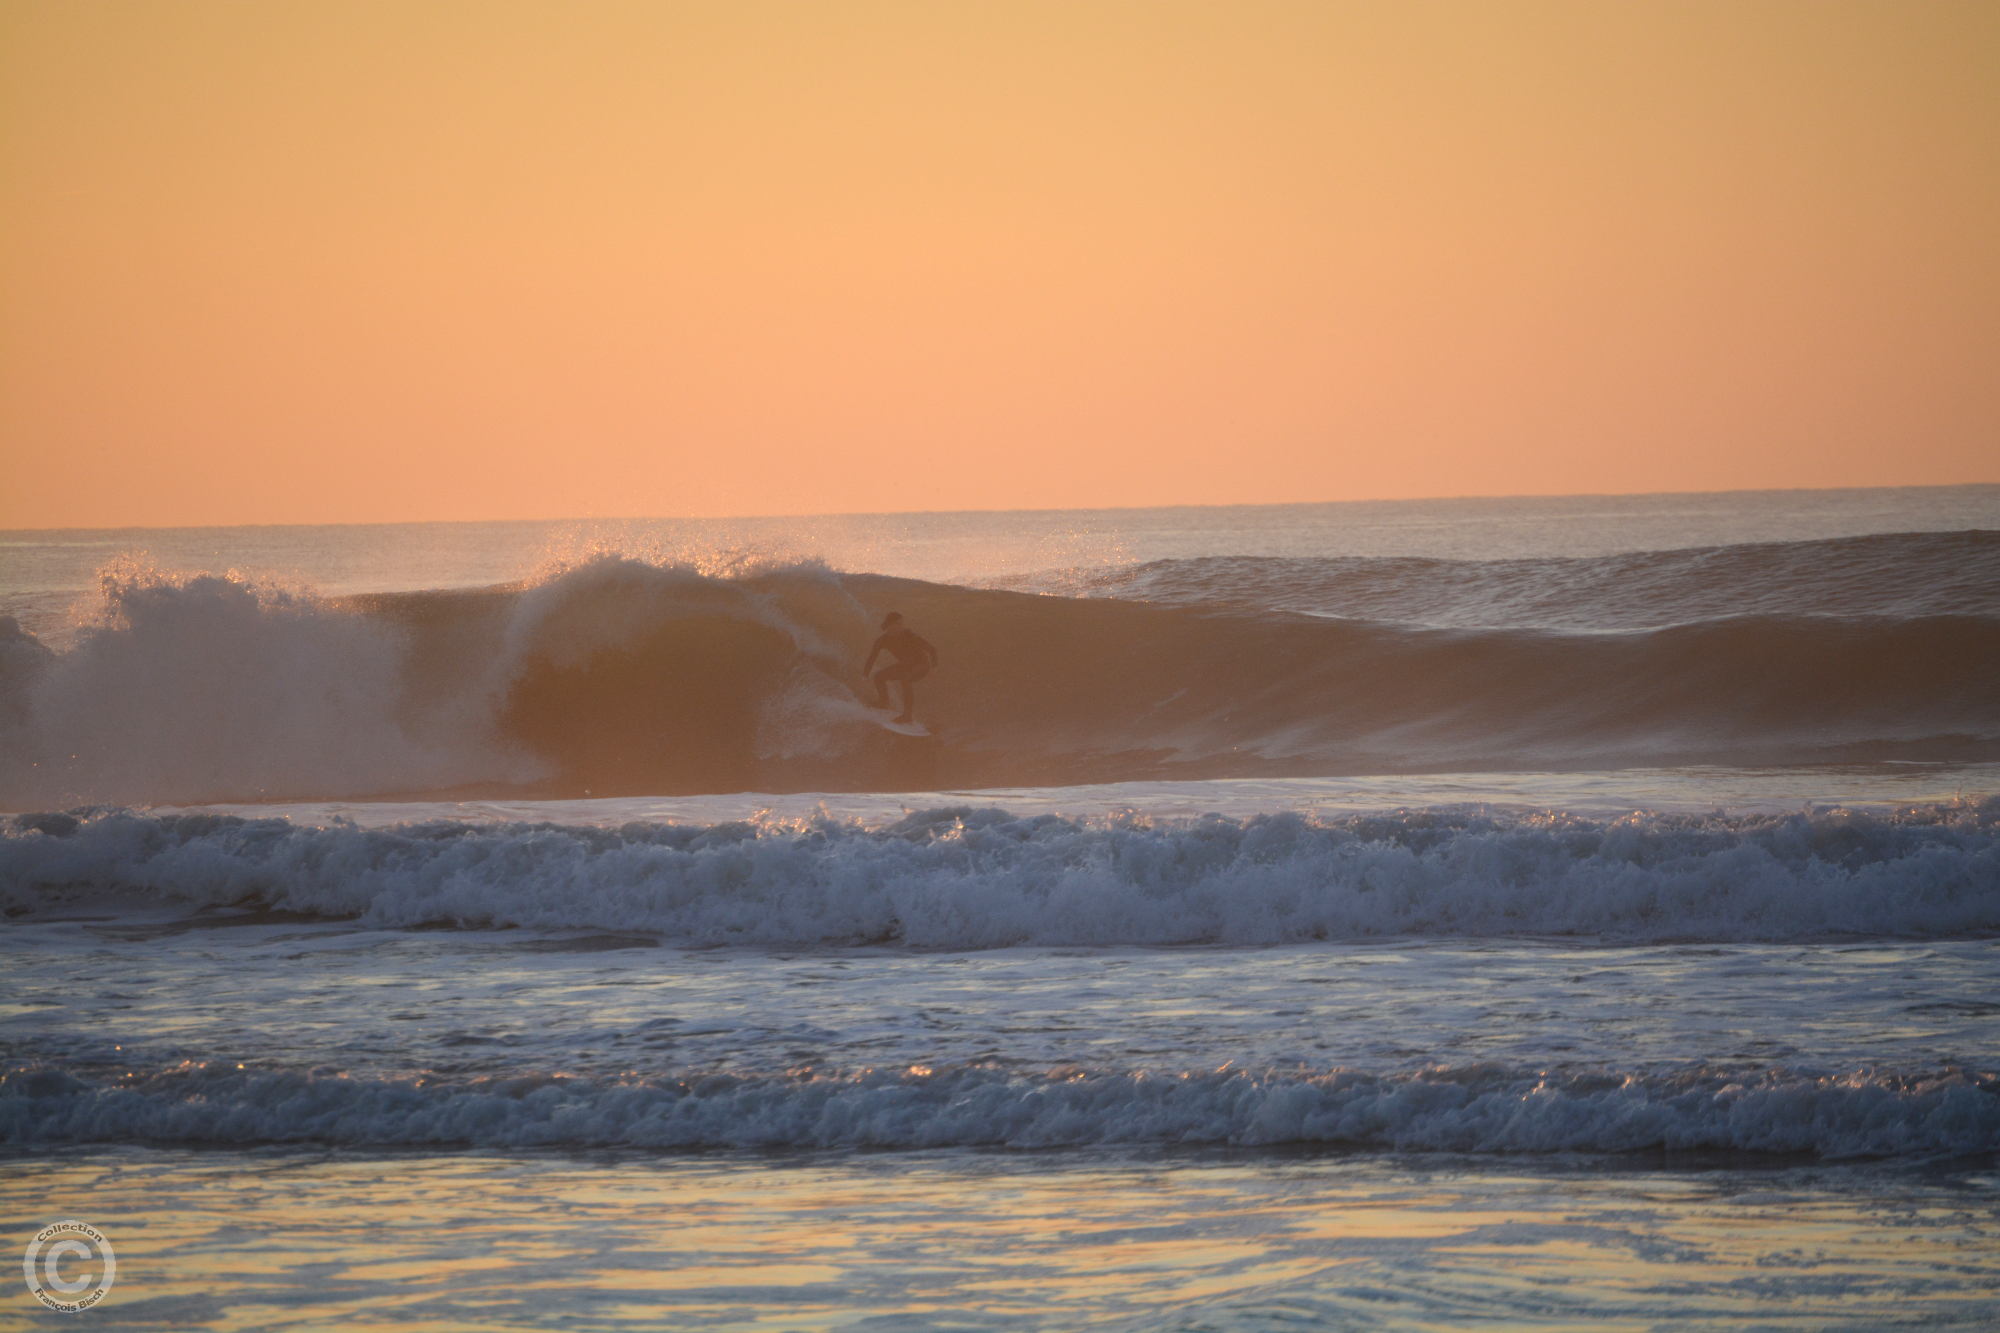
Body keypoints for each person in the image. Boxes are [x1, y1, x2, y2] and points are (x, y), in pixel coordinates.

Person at [861, 611, 938, 725]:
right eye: (898, 623)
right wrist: (865, 675)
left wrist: (934, 667)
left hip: (922, 664)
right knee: (879, 676)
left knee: (905, 679)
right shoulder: (882, 640)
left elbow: (932, 649)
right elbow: (872, 657)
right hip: (905, 665)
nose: (901, 626)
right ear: (890, 625)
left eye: (902, 623)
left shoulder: (910, 636)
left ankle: (907, 716)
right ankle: (883, 702)